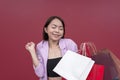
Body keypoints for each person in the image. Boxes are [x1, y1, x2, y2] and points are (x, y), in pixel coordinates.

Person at [25, 16, 78, 80]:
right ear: (46, 29)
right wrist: (32, 51)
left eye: (61, 29)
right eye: (53, 27)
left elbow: (77, 69)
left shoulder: (69, 44)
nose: (57, 31)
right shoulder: (40, 47)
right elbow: (40, 73)